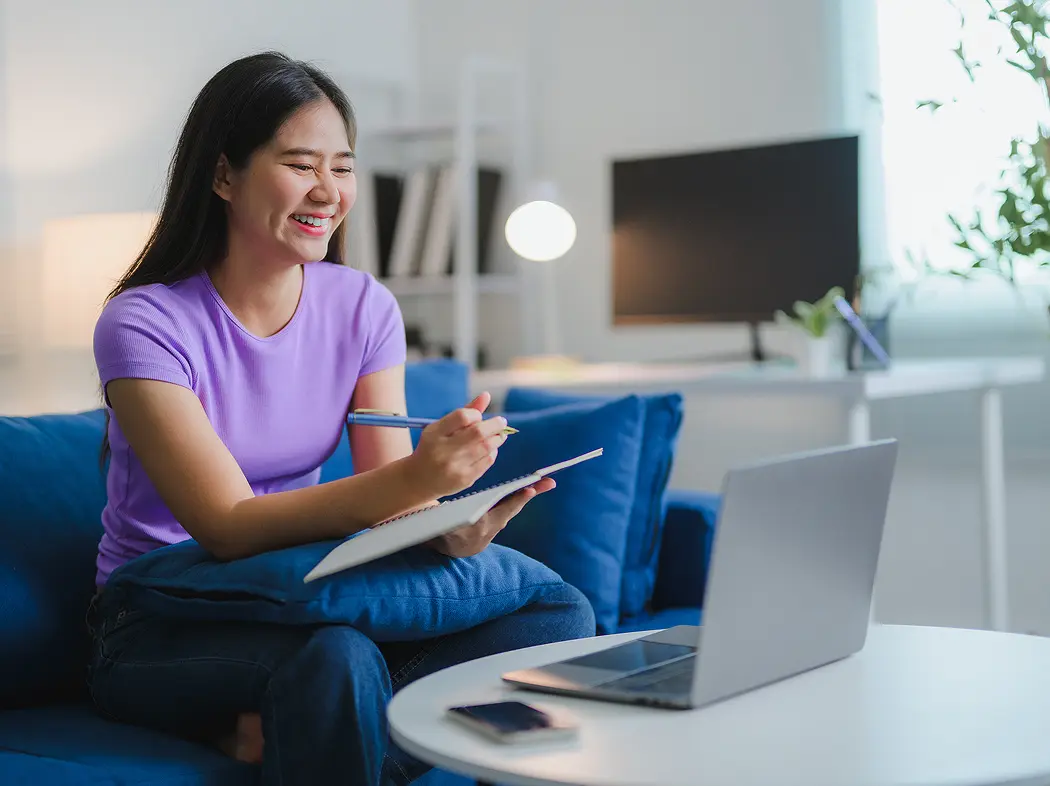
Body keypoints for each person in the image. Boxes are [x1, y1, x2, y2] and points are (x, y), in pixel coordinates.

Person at [85, 51, 595, 786]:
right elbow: (226, 527)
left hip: (302, 593)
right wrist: (418, 480)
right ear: (223, 175)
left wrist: (447, 525)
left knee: (555, 619)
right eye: (301, 165)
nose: (328, 191)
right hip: (159, 616)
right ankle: (306, 721)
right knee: (337, 657)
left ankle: (299, 731)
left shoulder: (362, 307)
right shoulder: (143, 323)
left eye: (343, 167)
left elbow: (392, 501)